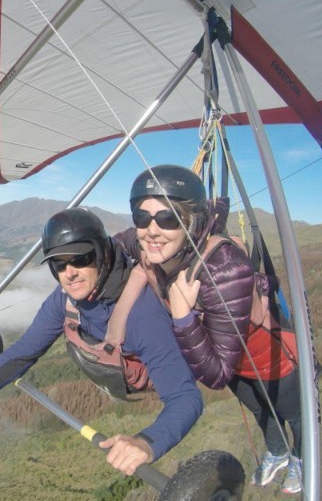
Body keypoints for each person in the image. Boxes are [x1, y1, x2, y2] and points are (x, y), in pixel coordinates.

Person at [0, 208, 203, 476]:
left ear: (103, 254)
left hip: (149, 377)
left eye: (81, 259)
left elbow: (185, 397)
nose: (70, 272)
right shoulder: (65, 298)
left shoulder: (142, 314)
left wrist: (147, 442)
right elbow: (25, 351)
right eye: (59, 264)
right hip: (111, 366)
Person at [116, 164, 303, 494]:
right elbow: (118, 245)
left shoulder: (223, 269)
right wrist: (76, 260)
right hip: (233, 363)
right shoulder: (151, 241)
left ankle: (300, 457)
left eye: (168, 218)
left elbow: (215, 377)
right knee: (260, 410)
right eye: (141, 218)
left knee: (292, 415)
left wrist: (184, 317)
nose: (152, 230)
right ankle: (277, 452)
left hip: (273, 360)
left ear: (191, 220)